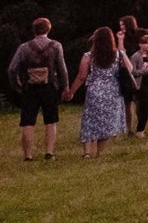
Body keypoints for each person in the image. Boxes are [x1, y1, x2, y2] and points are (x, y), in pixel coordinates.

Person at [10, 17, 68, 161]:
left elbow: (12, 69)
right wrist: (65, 86)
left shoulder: (24, 47)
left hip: (29, 88)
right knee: (50, 120)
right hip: (50, 87)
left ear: (34, 30)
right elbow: (62, 69)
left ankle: (28, 156)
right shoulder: (56, 46)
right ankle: (49, 153)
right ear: (48, 29)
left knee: (27, 122)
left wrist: (17, 86)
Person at [67, 26, 129, 159]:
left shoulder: (89, 56)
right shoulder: (118, 54)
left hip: (95, 90)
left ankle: (87, 152)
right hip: (113, 91)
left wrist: (71, 92)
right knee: (106, 122)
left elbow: (81, 76)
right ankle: (100, 153)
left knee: (89, 120)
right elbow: (130, 68)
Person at [126, 30, 148, 137]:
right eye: (146, 43)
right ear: (140, 44)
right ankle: (140, 130)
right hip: (140, 84)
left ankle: (141, 129)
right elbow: (133, 72)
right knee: (147, 106)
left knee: (145, 107)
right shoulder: (135, 56)